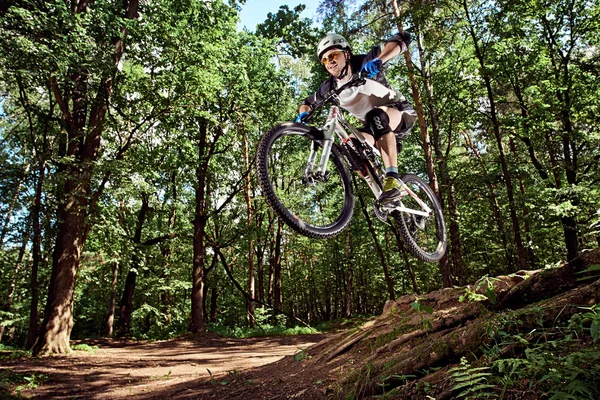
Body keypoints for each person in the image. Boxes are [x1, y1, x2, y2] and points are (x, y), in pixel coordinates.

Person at [296, 32, 416, 204]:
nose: (329, 61)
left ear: (347, 54)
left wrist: (380, 60)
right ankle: (380, 190)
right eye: (324, 59)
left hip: (399, 114)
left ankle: (393, 179)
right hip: (372, 128)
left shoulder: (365, 62)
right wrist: (303, 114)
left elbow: (402, 39)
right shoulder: (329, 87)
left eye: (333, 55)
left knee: (376, 116)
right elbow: (307, 103)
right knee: (349, 145)